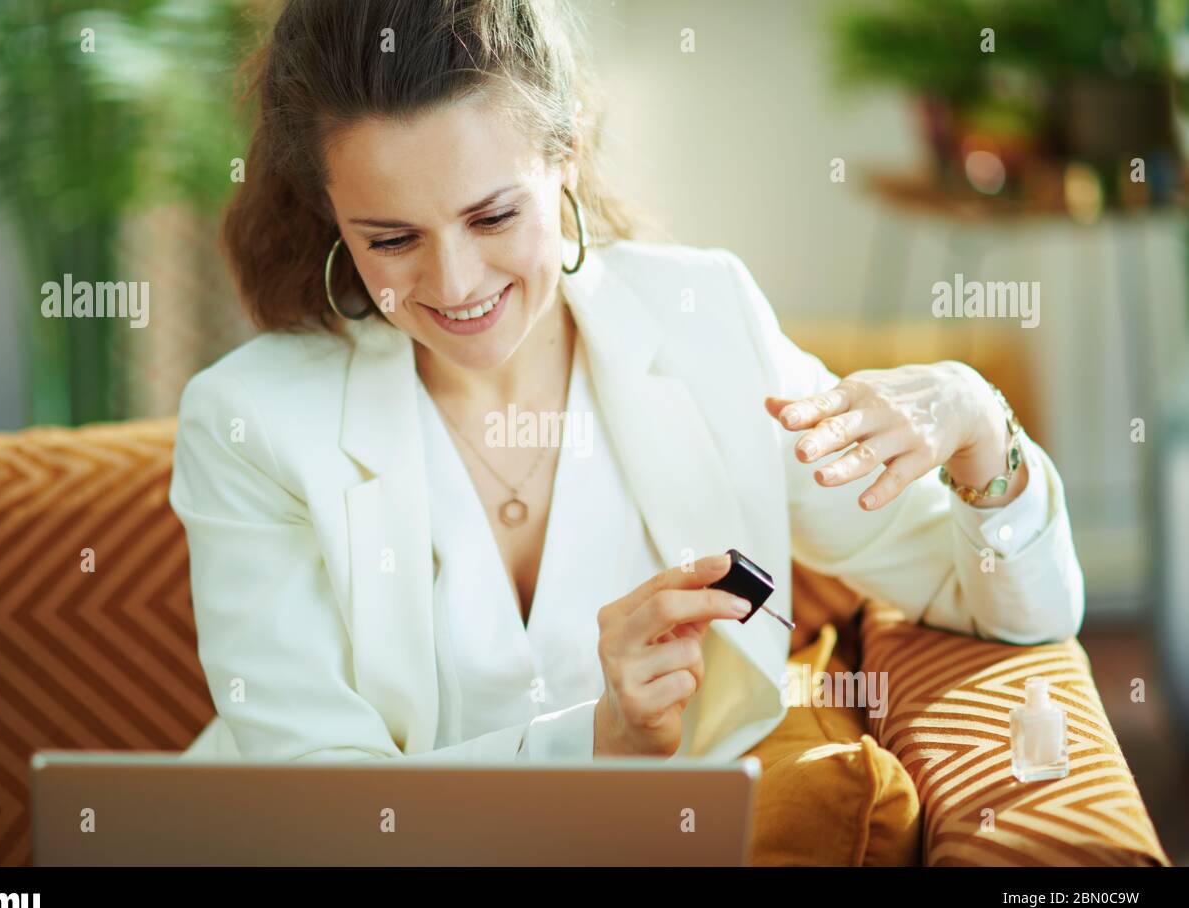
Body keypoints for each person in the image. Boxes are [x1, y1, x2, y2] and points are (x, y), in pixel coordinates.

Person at [170, 0, 1084, 764]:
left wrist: (979, 425)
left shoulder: (706, 320)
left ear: (564, 156)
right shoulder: (249, 421)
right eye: (391, 239)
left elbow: (1009, 607)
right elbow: (321, 807)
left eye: (493, 216)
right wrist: (599, 745)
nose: (453, 285)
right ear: (332, 216)